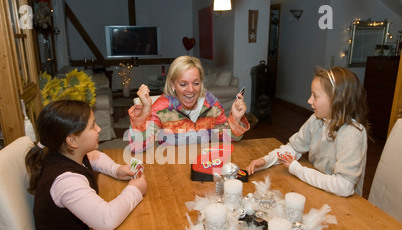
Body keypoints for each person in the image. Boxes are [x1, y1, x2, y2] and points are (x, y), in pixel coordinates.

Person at [25, 100, 147, 230]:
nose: (99, 129)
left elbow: (96, 158)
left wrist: (118, 170)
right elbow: (106, 219)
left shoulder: (65, 154)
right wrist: (135, 189)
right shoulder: (66, 181)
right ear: (72, 141)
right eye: (92, 126)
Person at [246, 67, 368, 197]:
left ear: (336, 100)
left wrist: (297, 169)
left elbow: (344, 186)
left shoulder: (352, 133)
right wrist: (266, 161)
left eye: (315, 96)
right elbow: (293, 149)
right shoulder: (317, 120)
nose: (309, 101)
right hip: (319, 192)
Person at [128, 56, 250, 152]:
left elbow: (225, 139)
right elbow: (137, 147)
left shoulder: (212, 105)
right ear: (172, 85)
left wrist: (236, 119)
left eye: (196, 83)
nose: (191, 90)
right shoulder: (161, 108)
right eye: (183, 84)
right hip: (171, 170)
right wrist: (145, 111)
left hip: (204, 167)